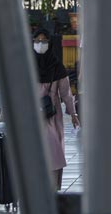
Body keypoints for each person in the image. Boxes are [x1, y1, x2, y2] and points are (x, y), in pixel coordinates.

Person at [32, 29, 80, 190]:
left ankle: (51, 186)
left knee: (53, 150)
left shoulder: (56, 66)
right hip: (35, 115)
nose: (40, 44)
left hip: (51, 115)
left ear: (50, 43)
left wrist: (73, 114)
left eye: (44, 41)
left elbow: (66, 93)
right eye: (37, 40)